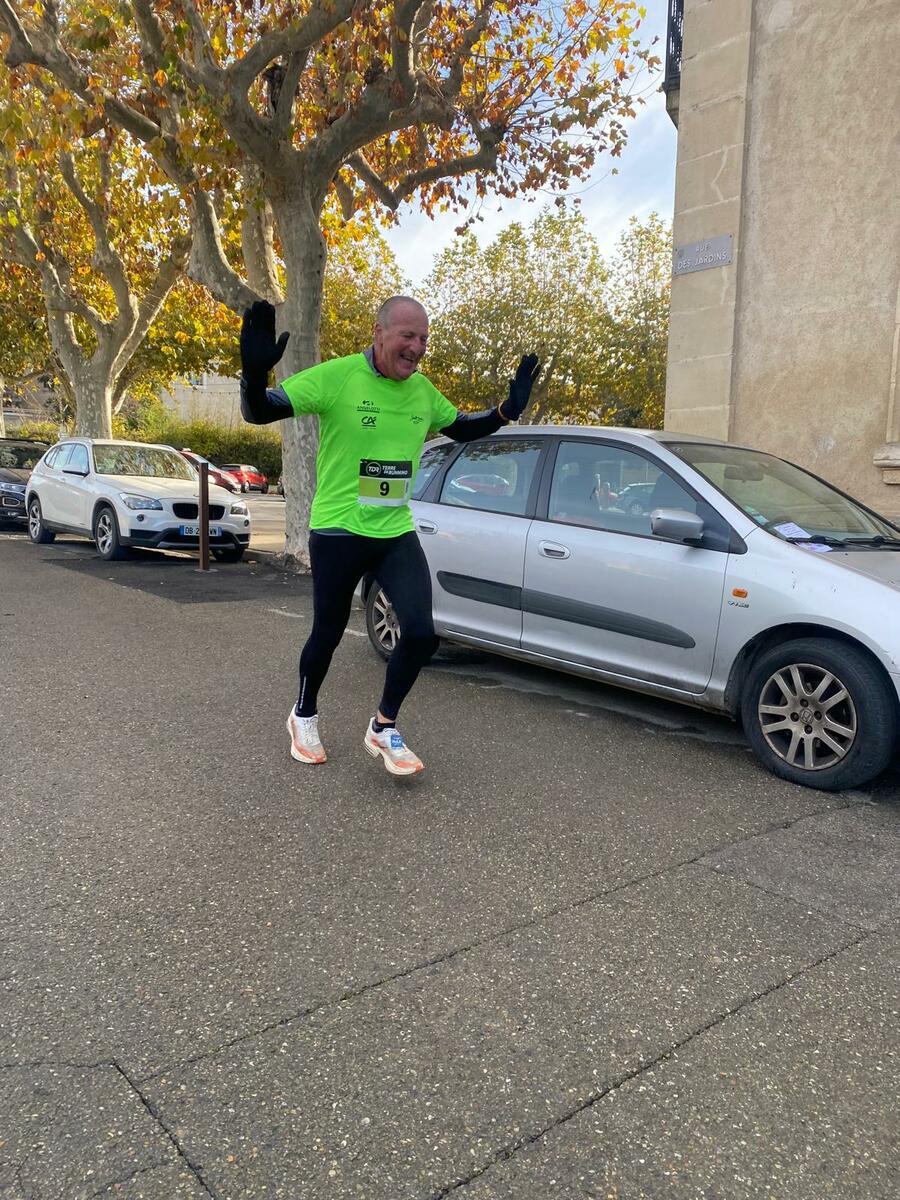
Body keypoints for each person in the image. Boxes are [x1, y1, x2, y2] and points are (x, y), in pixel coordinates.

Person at [240, 296, 540, 776]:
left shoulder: (422, 391)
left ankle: (383, 726)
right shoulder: (338, 377)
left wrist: (506, 410)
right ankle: (304, 714)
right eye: (408, 336)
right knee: (329, 630)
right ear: (379, 334)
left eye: (423, 338)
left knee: (420, 633)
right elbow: (259, 411)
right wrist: (254, 376)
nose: (417, 347)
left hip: (394, 529)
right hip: (338, 528)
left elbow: (461, 427)